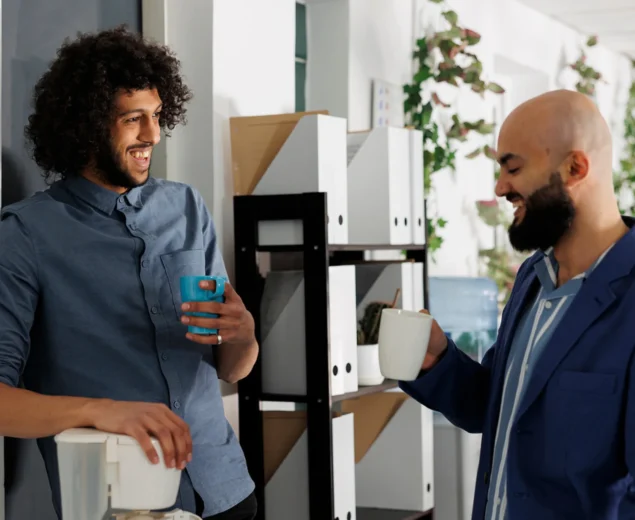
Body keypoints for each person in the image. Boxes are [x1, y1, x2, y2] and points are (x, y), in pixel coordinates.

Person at [0, 26, 258, 520]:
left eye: (157, 115)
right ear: (89, 124)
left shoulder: (186, 207)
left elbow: (230, 368)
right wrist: (98, 410)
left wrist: (244, 336)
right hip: (120, 506)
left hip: (226, 490)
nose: (152, 135)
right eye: (133, 119)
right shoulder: (26, 235)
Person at [400, 89, 635, 520]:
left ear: (574, 168)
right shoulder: (533, 279)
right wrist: (436, 360)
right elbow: (498, 408)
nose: (501, 186)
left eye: (513, 167)